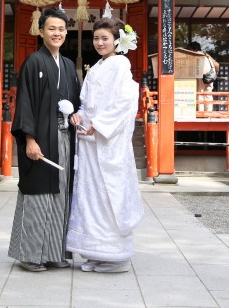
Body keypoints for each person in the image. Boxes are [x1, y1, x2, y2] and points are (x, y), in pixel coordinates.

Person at [67, 17, 144, 273]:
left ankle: (116, 255)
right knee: (90, 195)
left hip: (107, 140)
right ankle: (96, 252)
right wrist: (79, 114)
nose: (99, 43)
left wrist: (98, 124)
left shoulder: (121, 64)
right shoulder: (99, 66)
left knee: (109, 195)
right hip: (89, 140)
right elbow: (87, 102)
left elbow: (126, 101)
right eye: (96, 38)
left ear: (116, 41)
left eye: (105, 38)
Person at [7, 7, 81, 271]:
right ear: (41, 32)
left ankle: (53, 252)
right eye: (52, 28)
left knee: (61, 194)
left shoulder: (69, 65)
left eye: (62, 29)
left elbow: (76, 102)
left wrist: (76, 116)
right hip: (40, 139)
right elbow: (25, 103)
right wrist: (29, 139)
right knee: (38, 194)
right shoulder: (34, 62)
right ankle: (29, 255)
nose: (57, 33)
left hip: (63, 138)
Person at [188, 41, 219, 113]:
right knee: (208, 94)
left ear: (193, 49)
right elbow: (217, 65)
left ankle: (200, 113)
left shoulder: (194, 55)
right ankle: (208, 113)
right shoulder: (206, 55)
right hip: (210, 77)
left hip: (201, 77)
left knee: (200, 93)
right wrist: (215, 74)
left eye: (189, 49)